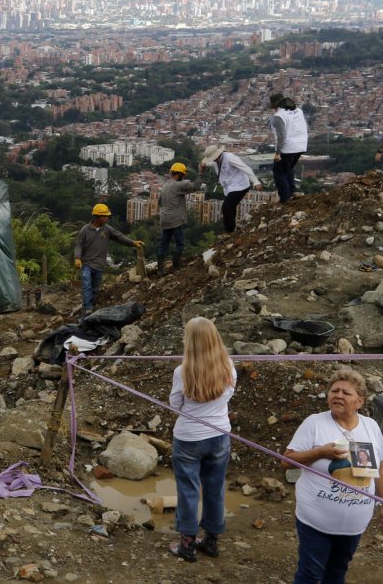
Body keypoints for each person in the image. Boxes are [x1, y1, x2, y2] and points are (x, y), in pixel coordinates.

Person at [282, 369, 383, 584]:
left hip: (354, 525)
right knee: (310, 574)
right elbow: (287, 461)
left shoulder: (370, 426)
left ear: (359, 401)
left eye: (346, 393)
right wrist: (319, 453)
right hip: (316, 522)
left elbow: (378, 468)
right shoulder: (314, 423)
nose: (338, 395)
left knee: (337, 572)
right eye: (334, 391)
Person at [168, 317, 236, 562]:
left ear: (191, 342)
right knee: (215, 487)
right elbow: (229, 394)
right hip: (219, 435)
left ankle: (187, 544)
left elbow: (176, 404)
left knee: (188, 490)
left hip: (188, 439)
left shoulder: (182, 371)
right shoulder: (228, 365)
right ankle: (211, 540)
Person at [72, 203, 142, 313]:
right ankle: (87, 308)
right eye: (104, 216)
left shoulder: (107, 229)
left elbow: (119, 237)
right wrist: (77, 258)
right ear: (97, 217)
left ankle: (92, 305)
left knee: (95, 289)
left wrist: (132, 243)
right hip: (87, 263)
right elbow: (78, 245)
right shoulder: (85, 230)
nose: (106, 218)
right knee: (86, 285)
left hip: (99, 264)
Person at [199, 145, 263, 233]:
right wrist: (204, 164)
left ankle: (229, 231)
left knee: (227, 207)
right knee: (230, 208)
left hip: (240, 186)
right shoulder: (216, 161)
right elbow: (211, 164)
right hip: (229, 188)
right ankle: (231, 230)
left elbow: (246, 168)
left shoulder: (230, 158)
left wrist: (256, 182)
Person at [268, 93, 309, 203]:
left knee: (278, 173)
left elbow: (281, 136)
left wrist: (278, 152)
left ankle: (285, 198)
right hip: (301, 145)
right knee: (288, 168)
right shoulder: (299, 111)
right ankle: (293, 191)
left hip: (288, 148)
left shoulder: (279, 116)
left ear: (276, 106)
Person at [158, 162, 197, 275]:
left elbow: (159, 202)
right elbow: (195, 186)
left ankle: (160, 270)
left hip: (164, 219)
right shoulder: (179, 184)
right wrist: (201, 174)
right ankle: (176, 267)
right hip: (175, 220)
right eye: (183, 175)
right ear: (179, 174)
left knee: (163, 244)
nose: (183, 177)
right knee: (180, 243)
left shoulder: (165, 185)